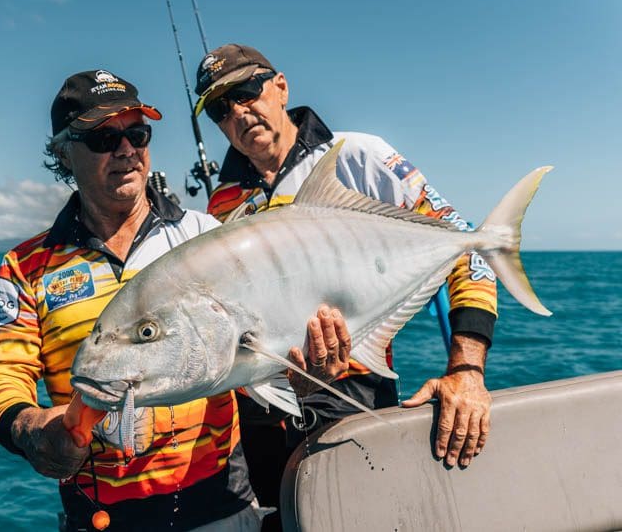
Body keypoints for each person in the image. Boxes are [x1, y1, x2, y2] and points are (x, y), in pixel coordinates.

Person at [0, 68, 348, 532]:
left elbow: (265, 349)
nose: (127, 149)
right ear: (64, 154)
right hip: (100, 517)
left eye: (137, 133)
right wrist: (28, 428)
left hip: (223, 505)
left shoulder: (206, 236)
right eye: (103, 138)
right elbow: (1, 379)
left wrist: (307, 378)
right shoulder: (26, 266)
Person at [194, 44, 498, 528]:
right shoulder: (222, 201)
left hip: (351, 397)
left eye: (246, 90)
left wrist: (467, 369)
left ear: (280, 86)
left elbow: (468, 250)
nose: (237, 111)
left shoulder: (360, 157)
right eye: (219, 107)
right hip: (257, 416)